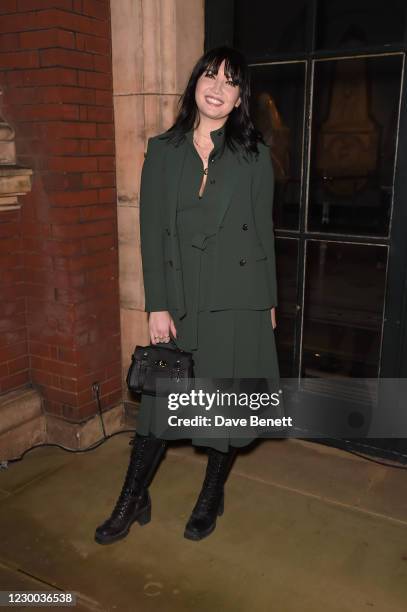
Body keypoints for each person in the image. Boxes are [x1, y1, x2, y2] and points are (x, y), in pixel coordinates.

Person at [94, 46, 280, 544]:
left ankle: (210, 495)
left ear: (241, 96)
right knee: (159, 411)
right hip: (180, 295)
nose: (217, 87)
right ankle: (132, 499)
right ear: (195, 83)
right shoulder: (163, 150)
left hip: (237, 297)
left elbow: (263, 233)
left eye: (230, 81)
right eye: (210, 76)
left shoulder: (254, 154)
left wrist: (268, 303)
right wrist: (157, 303)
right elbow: (151, 233)